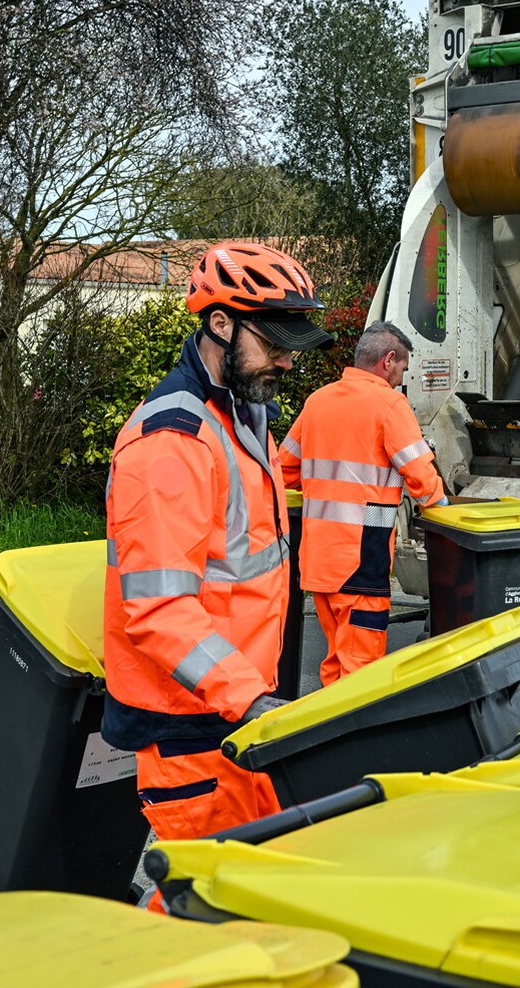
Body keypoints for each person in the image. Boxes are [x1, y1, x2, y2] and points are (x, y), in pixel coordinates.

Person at [101, 241, 332, 863]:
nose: (287, 362)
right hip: (192, 720)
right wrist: (251, 698)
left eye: (292, 347)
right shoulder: (172, 440)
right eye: (274, 344)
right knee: (204, 903)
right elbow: (159, 609)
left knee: (249, 891)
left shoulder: (243, 417)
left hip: (233, 711)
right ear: (220, 324)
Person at [279, 321, 447, 686]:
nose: (402, 378)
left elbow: (284, 470)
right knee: (361, 677)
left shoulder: (317, 402)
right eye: (403, 369)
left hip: (319, 563)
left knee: (336, 665)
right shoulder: (389, 404)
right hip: (361, 564)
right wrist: (445, 510)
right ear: (388, 361)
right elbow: (420, 476)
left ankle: (326, 737)